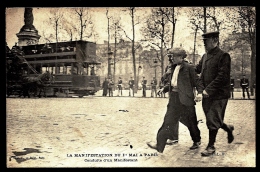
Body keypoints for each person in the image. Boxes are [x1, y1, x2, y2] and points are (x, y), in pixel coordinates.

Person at [146, 47, 203, 153]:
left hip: (186, 100)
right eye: (171, 56)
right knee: (167, 121)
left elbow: (197, 81)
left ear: (181, 57)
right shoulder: (172, 67)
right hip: (174, 99)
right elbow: (172, 83)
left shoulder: (189, 67)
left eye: (173, 56)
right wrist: (164, 89)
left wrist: (200, 93)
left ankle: (196, 140)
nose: (171, 58)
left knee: (191, 123)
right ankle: (159, 145)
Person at [195, 31, 234, 156]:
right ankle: (227, 128)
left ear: (215, 40)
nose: (204, 43)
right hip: (207, 94)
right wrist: (183, 64)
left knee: (212, 118)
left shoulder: (224, 56)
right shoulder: (205, 56)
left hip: (219, 94)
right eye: (203, 41)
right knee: (212, 118)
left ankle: (211, 147)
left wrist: (207, 90)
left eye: (206, 41)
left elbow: (222, 77)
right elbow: (197, 70)